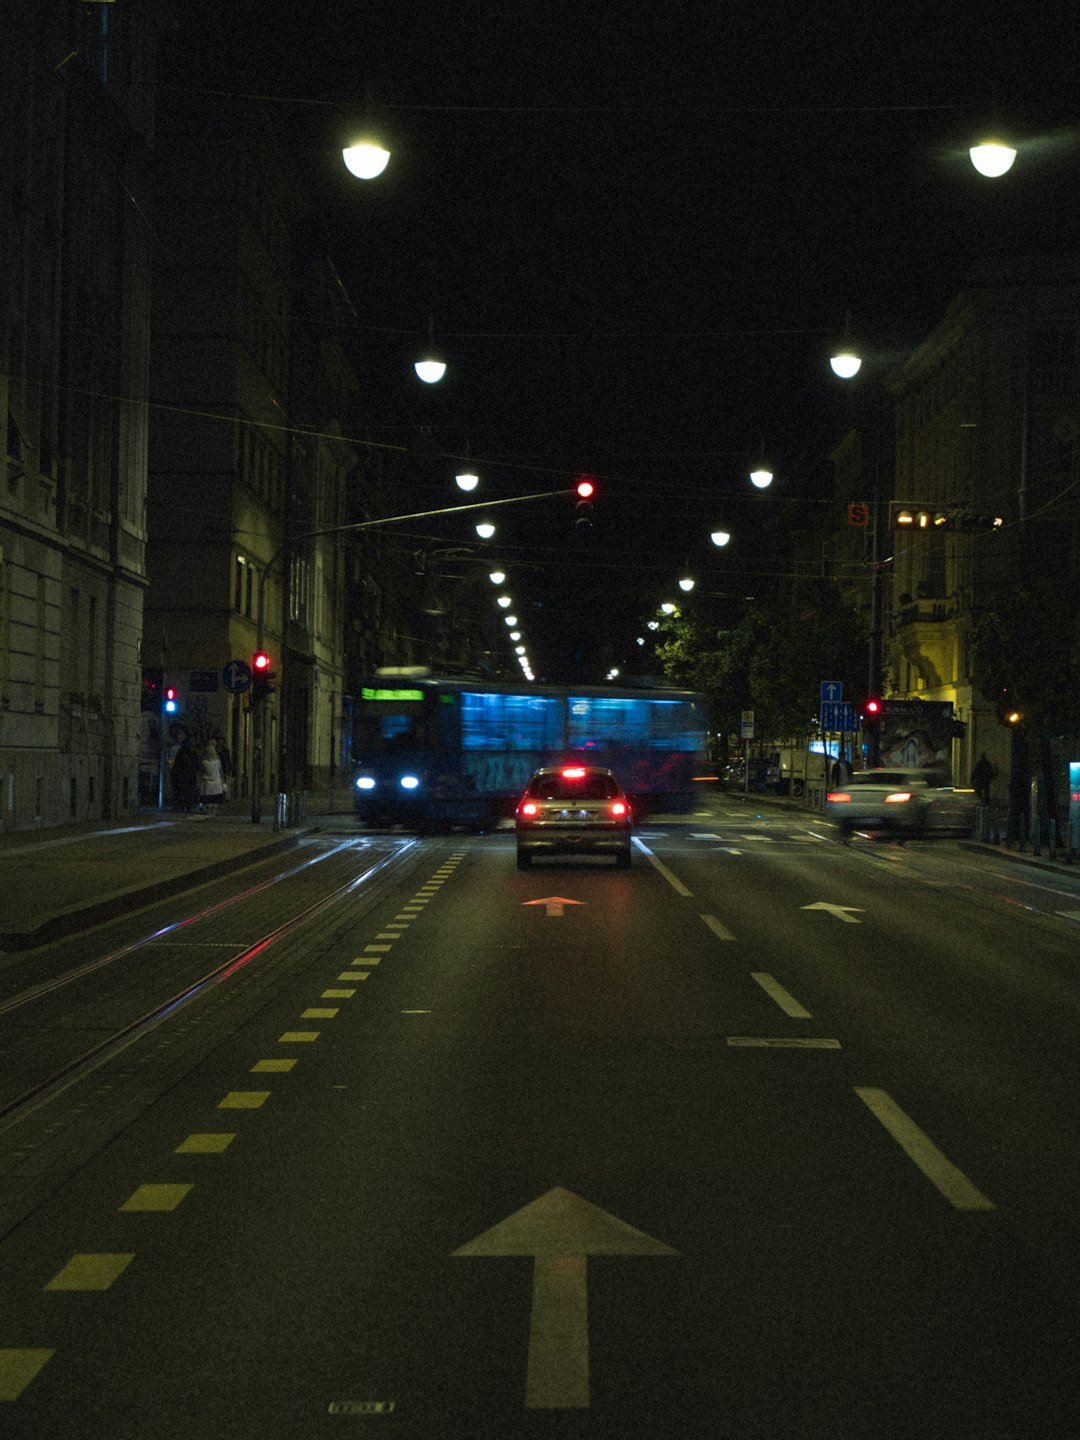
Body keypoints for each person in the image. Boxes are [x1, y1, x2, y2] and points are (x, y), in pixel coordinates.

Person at [170, 733, 200, 813]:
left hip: (181, 776)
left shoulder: (180, 753)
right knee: (189, 792)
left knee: (180, 792)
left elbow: (176, 764)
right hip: (190, 776)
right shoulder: (193, 753)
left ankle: (180, 806)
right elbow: (197, 765)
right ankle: (188, 807)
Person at [199, 738, 226, 809]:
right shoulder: (218, 761)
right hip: (217, 784)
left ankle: (208, 813)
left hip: (207, 784)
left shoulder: (204, 762)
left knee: (208, 802)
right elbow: (221, 773)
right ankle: (214, 813)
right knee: (215, 802)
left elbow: (201, 772)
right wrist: (222, 782)